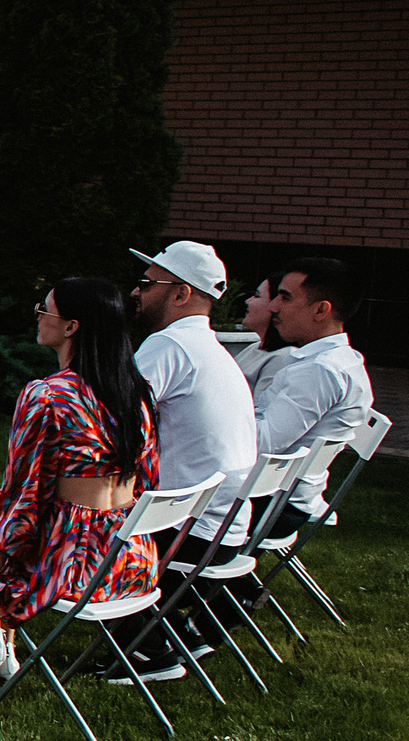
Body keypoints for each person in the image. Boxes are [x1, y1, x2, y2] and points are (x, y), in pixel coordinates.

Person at [0, 279, 159, 677]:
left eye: (44, 309)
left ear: (71, 327)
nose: (37, 316)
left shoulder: (48, 395)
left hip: (77, 563)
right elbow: (148, 478)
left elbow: (25, 487)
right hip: (133, 555)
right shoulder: (133, 391)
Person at [118, 241, 260, 679]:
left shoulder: (170, 345)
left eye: (147, 283)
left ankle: (150, 651)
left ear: (181, 294)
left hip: (188, 532)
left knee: (73, 524)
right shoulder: (211, 349)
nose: (136, 292)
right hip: (225, 528)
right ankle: (178, 634)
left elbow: (112, 418)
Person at [249, 257, 373, 549]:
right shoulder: (342, 360)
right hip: (285, 500)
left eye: (285, 297)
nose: (274, 306)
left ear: (321, 309)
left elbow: (264, 442)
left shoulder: (320, 370)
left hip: (270, 505)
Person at [232, 275, 297, 393]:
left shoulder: (282, 358)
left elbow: (261, 408)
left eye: (257, 296)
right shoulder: (255, 347)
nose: (248, 301)